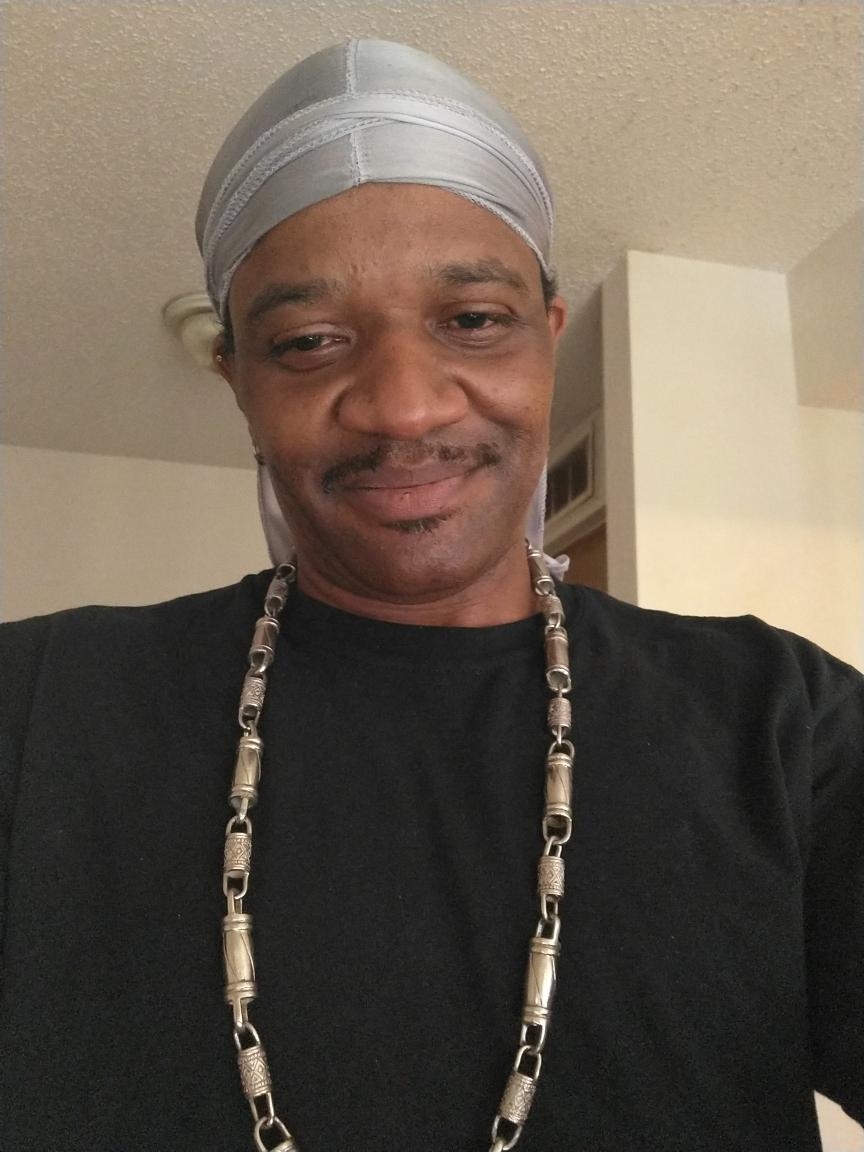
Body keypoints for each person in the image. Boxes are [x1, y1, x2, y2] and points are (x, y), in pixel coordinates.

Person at [0, 38, 861, 1152]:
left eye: (473, 321)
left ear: (548, 338)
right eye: (309, 341)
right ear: (237, 378)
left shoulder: (785, 723)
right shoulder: (34, 707)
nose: (404, 407)